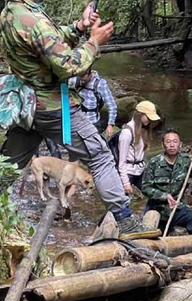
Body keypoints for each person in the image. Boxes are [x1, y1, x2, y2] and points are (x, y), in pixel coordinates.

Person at [0, 0, 143, 234]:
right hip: (52, 108)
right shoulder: (31, 19)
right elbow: (67, 66)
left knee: (8, 165)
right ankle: (126, 220)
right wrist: (94, 42)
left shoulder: (11, 10)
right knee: (99, 156)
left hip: (26, 106)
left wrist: (79, 26)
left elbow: (47, 43)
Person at [142, 129, 192, 235]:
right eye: (168, 142)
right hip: (157, 209)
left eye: (175, 141)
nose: (172, 145)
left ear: (180, 144)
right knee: (149, 233)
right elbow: (145, 187)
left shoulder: (187, 161)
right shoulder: (154, 163)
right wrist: (164, 196)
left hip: (178, 208)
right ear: (163, 144)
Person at [118, 101, 160, 195]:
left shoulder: (143, 130)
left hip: (140, 170)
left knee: (153, 195)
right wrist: (126, 183)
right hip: (128, 172)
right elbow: (122, 161)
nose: (150, 120)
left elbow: (142, 154)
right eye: (148, 117)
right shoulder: (127, 133)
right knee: (123, 203)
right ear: (140, 114)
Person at [69, 68, 117, 137]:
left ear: (89, 73)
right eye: (80, 78)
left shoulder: (100, 84)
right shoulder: (75, 79)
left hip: (92, 123)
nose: (81, 81)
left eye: (83, 79)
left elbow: (112, 106)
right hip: (76, 121)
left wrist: (110, 125)